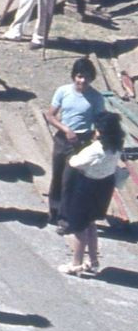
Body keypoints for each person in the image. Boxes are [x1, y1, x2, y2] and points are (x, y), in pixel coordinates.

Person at [58, 112, 126, 276]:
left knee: (79, 226)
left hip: (86, 186)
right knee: (91, 223)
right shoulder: (116, 146)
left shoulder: (96, 149)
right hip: (103, 187)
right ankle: (93, 261)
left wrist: (75, 154)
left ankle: (76, 263)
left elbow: (75, 162)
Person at [44, 57, 106, 225]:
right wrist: (66, 129)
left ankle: (65, 217)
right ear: (73, 76)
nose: (82, 81)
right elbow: (50, 115)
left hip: (82, 141)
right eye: (79, 76)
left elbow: (100, 120)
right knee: (57, 176)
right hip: (63, 139)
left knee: (70, 179)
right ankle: (54, 211)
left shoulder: (96, 97)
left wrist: (97, 135)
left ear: (92, 78)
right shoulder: (63, 91)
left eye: (86, 77)